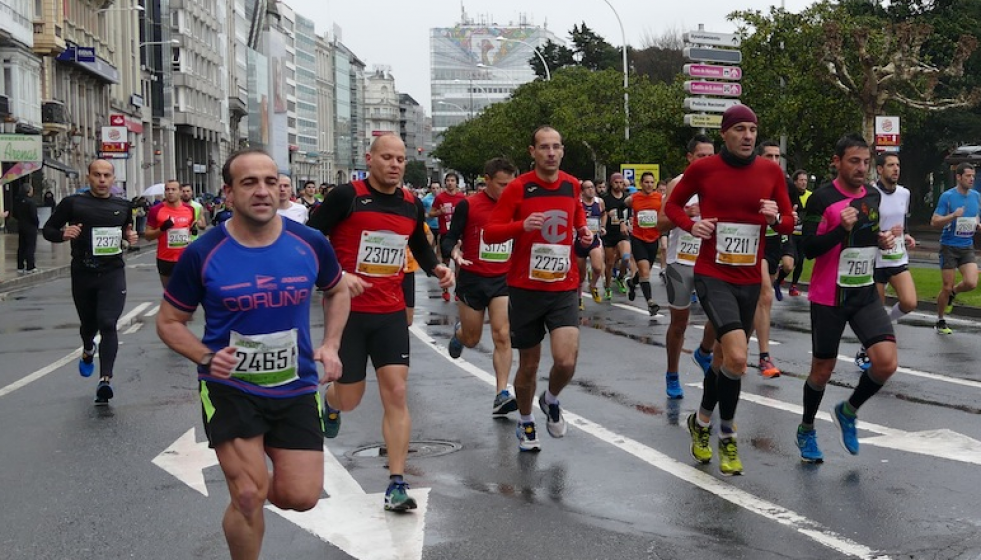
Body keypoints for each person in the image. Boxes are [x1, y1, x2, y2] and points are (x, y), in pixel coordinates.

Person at [156, 148, 350, 560]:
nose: (262, 191)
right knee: (247, 494)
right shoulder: (203, 252)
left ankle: (263, 496)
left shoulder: (310, 242)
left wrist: (331, 344)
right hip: (230, 387)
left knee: (301, 497)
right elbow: (169, 321)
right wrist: (206, 358)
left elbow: (336, 290)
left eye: (269, 181)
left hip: (295, 384)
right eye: (249, 183)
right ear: (228, 193)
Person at [307, 134, 453, 511]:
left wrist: (436, 267)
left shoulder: (409, 204)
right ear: (369, 159)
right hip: (349, 313)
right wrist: (335, 275)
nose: (395, 164)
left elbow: (417, 246)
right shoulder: (346, 196)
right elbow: (311, 237)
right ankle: (331, 402)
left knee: (397, 392)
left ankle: (397, 481)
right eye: (387, 157)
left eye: (401, 159)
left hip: (390, 310)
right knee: (351, 399)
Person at [664, 105, 794, 475]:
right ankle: (727, 434)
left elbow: (787, 223)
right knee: (738, 358)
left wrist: (775, 219)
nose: (748, 136)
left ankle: (701, 421)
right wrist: (692, 226)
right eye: (740, 129)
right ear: (725, 133)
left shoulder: (770, 171)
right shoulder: (703, 169)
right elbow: (672, 206)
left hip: (749, 278)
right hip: (712, 274)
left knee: (724, 362)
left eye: (752, 129)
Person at [484, 125, 592, 453]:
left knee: (566, 361)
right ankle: (526, 421)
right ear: (532, 152)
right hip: (525, 288)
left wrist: (585, 234)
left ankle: (552, 399)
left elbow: (577, 219)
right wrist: (521, 226)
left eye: (556, 146)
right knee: (529, 364)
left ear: (562, 151)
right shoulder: (518, 188)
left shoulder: (572, 185)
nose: (550, 152)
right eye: (543, 147)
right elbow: (491, 233)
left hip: (563, 285)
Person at [796, 133, 898, 463]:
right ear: (837, 161)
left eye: (866, 162)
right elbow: (808, 249)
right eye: (854, 161)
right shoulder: (821, 199)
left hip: (864, 292)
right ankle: (807, 428)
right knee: (822, 371)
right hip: (829, 296)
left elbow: (866, 235)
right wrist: (838, 229)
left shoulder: (872, 195)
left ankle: (848, 410)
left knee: (886, 362)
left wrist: (881, 241)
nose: (862, 168)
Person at [42, 159, 139, 405]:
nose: (102, 180)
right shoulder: (73, 203)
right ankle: (87, 349)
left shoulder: (123, 206)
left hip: (112, 272)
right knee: (89, 325)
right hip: (83, 273)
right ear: (89, 178)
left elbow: (128, 232)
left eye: (107, 175)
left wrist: (131, 236)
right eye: (97, 175)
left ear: (113, 179)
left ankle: (105, 380)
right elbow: (48, 229)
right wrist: (63, 234)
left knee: (108, 322)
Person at [442, 157, 518, 417]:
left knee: (502, 334)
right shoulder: (469, 205)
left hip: (502, 280)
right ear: (486, 180)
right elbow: (451, 236)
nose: (506, 190)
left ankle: (501, 393)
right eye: (501, 184)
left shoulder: (516, 206)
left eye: (511, 184)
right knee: (473, 339)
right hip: (473, 279)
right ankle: (460, 333)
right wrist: (452, 253)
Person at [657, 134, 718, 400]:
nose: (707, 161)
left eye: (711, 156)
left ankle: (704, 352)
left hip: (710, 261)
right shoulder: (677, 184)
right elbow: (660, 224)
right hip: (680, 261)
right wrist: (685, 216)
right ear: (690, 158)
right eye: (702, 156)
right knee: (679, 324)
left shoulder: (720, 183)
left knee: (720, 318)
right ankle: (672, 373)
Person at [854, 153, 916, 369]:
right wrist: (881, 235)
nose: (896, 169)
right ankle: (865, 349)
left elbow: (901, 221)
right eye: (890, 165)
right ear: (880, 169)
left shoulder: (904, 193)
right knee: (876, 312)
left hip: (897, 256)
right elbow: (862, 227)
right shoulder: (870, 194)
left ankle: (886, 325)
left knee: (909, 302)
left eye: (898, 165)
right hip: (875, 260)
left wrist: (906, 235)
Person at [753, 141, 797, 379]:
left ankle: (730, 345)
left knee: (759, 305)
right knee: (765, 295)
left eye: (777, 156)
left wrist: (787, 217)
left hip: (773, 242)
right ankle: (764, 357)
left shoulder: (784, 183)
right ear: (758, 158)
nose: (773, 161)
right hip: (752, 244)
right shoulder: (749, 179)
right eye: (768, 156)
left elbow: (789, 213)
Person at [931, 162, 980, 335]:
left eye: (973, 176)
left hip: (967, 246)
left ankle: (954, 293)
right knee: (946, 286)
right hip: (949, 246)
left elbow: (976, 216)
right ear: (959, 177)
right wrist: (952, 216)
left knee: (971, 282)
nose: (971, 179)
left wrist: (978, 224)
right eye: (968, 176)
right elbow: (935, 221)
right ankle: (940, 319)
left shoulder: (975, 196)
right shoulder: (947, 196)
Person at [623, 171, 663, 316]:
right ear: (641, 184)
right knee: (645, 272)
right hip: (638, 238)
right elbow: (622, 208)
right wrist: (623, 223)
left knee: (644, 272)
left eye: (652, 182)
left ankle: (632, 283)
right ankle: (650, 302)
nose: (649, 185)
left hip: (653, 239)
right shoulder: (633, 199)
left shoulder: (659, 198)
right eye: (646, 182)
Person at [144, 180, 196, 289]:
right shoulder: (156, 210)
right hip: (165, 259)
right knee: (170, 294)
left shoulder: (190, 210)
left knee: (186, 294)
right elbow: (147, 236)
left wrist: (193, 230)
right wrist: (162, 228)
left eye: (173, 189)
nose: (170, 192)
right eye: (167, 190)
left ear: (180, 192)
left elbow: (189, 228)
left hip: (185, 258)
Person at [430, 173, 466, 301]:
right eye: (448, 181)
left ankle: (457, 291)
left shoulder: (462, 198)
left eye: (452, 180)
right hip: (445, 233)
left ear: (457, 183)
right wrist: (439, 212)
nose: (450, 183)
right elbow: (430, 213)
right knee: (445, 263)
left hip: (458, 234)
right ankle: (445, 290)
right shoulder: (440, 198)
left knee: (458, 263)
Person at [602, 172, 633, 299]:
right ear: (611, 183)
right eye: (616, 182)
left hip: (622, 233)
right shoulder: (605, 198)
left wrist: (630, 222)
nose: (619, 185)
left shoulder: (627, 197)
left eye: (621, 182)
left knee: (626, 257)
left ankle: (621, 277)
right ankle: (608, 287)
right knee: (609, 263)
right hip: (609, 233)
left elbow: (631, 213)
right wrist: (606, 215)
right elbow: (601, 213)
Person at [576, 179, 605, 308]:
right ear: (582, 191)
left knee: (597, 267)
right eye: (587, 188)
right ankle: (579, 298)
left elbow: (604, 214)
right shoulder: (578, 203)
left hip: (594, 239)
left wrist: (603, 226)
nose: (591, 190)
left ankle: (593, 285)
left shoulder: (599, 202)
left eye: (592, 187)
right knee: (580, 275)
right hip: (579, 241)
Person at [784, 170, 812, 296]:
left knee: (801, 260)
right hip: (791, 233)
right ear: (795, 182)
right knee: (793, 260)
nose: (803, 183)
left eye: (805, 180)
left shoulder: (811, 196)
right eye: (801, 180)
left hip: (803, 234)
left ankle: (793, 286)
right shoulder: (790, 194)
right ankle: (780, 279)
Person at [13, 183, 39, 274]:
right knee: (30, 246)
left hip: (21, 226)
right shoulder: (30, 202)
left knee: (21, 246)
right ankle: (30, 266)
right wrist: (37, 224)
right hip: (30, 227)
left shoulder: (17, 201)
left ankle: (20, 266)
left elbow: (14, 214)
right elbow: (34, 216)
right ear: (28, 191)